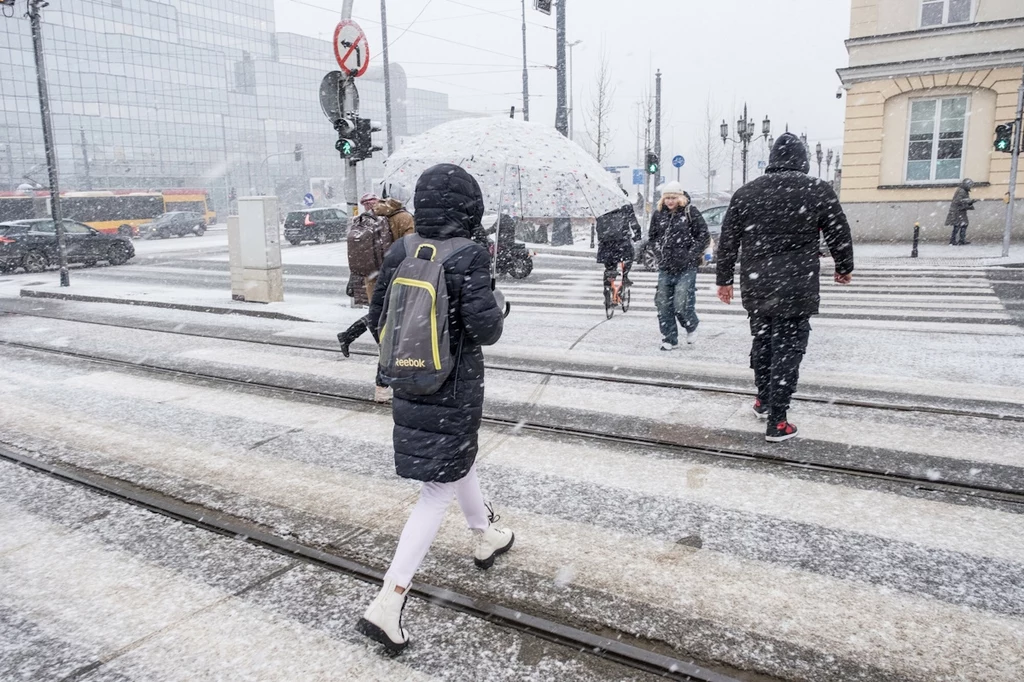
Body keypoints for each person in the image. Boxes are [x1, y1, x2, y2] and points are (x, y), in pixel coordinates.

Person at [358, 163, 513, 653]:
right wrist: (498, 302)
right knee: (436, 488)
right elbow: (486, 329)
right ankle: (390, 597)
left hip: (411, 376)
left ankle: (484, 533)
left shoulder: (403, 247)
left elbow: (376, 315)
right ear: (471, 206)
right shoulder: (470, 254)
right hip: (453, 384)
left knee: (455, 460)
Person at [716, 133, 854, 443]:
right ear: (803, 160)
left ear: (773, 159)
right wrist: (844, 267)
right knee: (788, 350)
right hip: (796, 284)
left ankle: (764, 400)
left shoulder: (747, 193)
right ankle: (778, 421)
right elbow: (838, 231)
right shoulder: (817, 190)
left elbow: (728, 241)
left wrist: (723, 279)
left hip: (758, 285)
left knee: (763, 342)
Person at [648, 181, 709, 350]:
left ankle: (691, 325)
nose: (670, 201)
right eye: (667, 198)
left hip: (686, 266)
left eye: (673, 197)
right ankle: (669, 338)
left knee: (681, 302)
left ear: (680, 197)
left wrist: (690, 254)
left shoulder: (691, 212)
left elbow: (703, 235)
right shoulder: (658, 214)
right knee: (662, 303)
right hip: (666, 266)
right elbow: (652, 238)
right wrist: (659, 253)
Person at [596, 204, 642, 288]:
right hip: (622, 241)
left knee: (609, 269)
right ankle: (625, 276)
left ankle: (607, 292)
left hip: (605, 243)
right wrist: (637, 235)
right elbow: (633, 222)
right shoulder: (625, 205)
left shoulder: (601, 205)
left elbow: (598, 225)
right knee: (629, 257)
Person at [945, 178, 976, 245]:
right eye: (970, 185)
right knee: (957, 226)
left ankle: (961, 240)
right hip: (957, 211)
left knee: (963, 224)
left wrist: (970, 202)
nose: (970, 187)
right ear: (966, 185)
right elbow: (959, 201)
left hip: (960, 211)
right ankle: (954, 240)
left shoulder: (964, 191)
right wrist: (969, 201)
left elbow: (962, 201)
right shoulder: (961, 191)